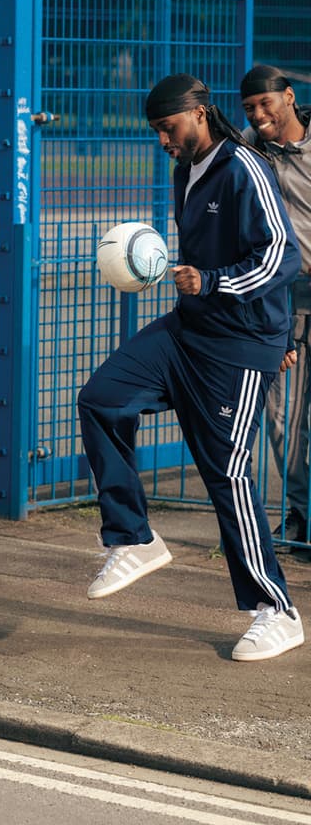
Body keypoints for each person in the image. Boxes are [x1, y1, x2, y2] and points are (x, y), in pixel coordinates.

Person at [78, 73, 305, 661]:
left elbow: (282, 254)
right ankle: (134, 537)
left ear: (199, 114)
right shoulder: (186, 173)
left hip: (239, 345)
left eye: (168, 127)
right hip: (189, 329)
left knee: (226, 473)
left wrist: (213, 282)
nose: (163, 141)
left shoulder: (244, 167)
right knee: (101, 397)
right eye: (156, 131)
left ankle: (275, 610)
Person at [240, 65, 311, 552]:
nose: (260, 115)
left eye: (267, 104)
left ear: (288, 98)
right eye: (250, 109)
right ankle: (303, 513)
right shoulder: (250, 147)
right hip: (281, 303)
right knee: (280, 418)